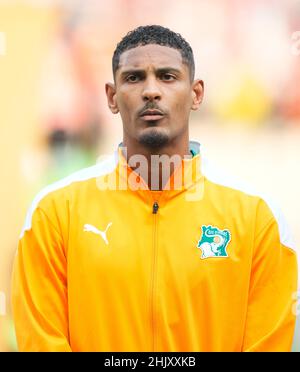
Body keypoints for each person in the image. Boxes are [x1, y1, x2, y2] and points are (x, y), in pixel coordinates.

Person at [12, 25, 298, 352]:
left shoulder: (259, 220)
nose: (151, 90)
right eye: (134, 78)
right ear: (111, 96)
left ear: (196, 93)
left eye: (167, 76)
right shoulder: (54, 213)